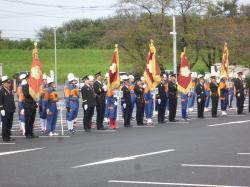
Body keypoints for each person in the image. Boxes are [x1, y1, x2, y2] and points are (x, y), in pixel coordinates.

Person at [22, 75, 39, 139]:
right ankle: (27, 133)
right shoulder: (25, 86)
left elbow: (35, 95)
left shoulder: (33, 86)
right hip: (28, 105)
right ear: (27, 79)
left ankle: (31, 133)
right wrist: (31, 89)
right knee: (28, 120)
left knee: (32, 120)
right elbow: (26, 95)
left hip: (33, 104)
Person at [0, 76, 16, 142]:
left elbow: (12, 100)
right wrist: (1, 109)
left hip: (10, 110)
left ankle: (8, 136)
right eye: (8, 82)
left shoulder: (9, 90)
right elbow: (0, 100)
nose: (9, 84)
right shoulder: (1, 91)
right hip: (5, 110)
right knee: (5, 124)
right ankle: (5, 137)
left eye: (9, 82)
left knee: (9, 124)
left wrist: (14, 107)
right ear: (3, 83)